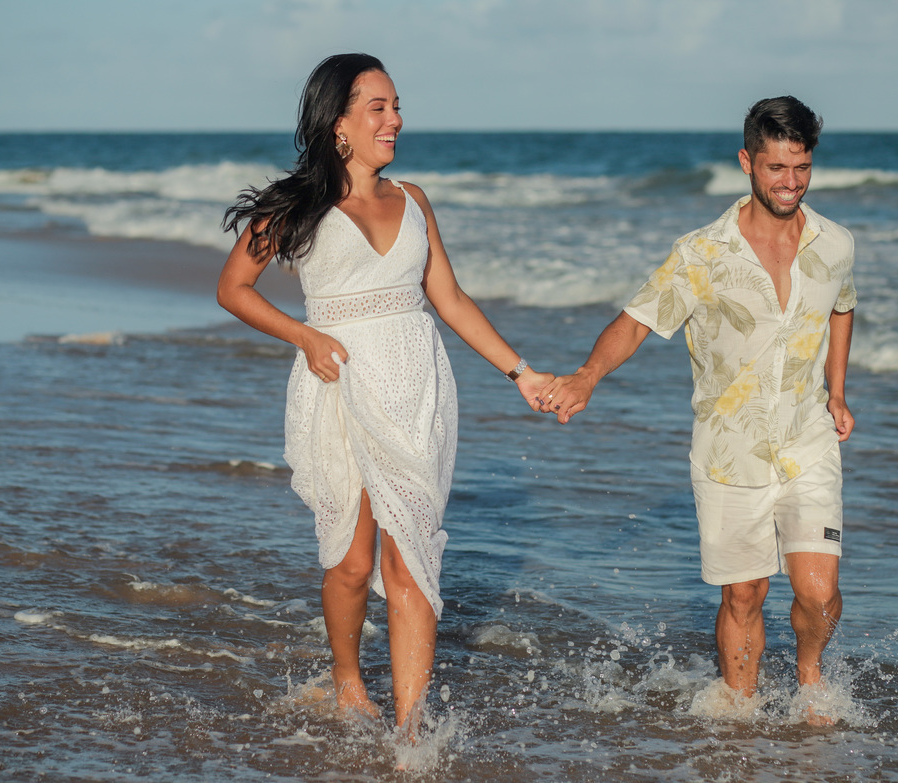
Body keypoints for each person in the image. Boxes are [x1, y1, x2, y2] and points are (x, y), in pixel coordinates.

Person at [216, 54, 552, 734]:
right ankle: (346, 676)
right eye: (379, 107)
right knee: (349, 563)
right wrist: (305, 338)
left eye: (397, 106)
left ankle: (409, 731)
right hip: (338, 388)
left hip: (417, 390)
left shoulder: (414, 199)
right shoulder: (296, 206)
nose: (395, 119)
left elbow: (449, 300)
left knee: (412, 556)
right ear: (338, 122)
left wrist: (523, 373)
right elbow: (233, 290)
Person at [542, 96, 856, 723]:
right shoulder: (702, 254)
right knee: (745, 593)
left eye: (801, 168)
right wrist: (587, 375)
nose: (789, 183)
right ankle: (739, 712)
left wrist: (838, 389)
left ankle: (809, 674)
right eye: (775, 168)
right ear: (747, 163)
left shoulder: (836, 244)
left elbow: (841, 305)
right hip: (727, 448)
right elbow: (635, 322)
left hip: (806, 439)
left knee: (819, 595)